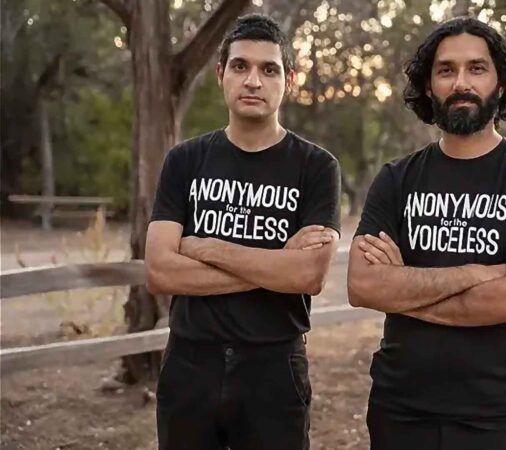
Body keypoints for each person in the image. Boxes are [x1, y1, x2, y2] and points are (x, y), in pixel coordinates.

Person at [347, 17, 506, 450]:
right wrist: (477, 273)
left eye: (476, 69)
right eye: (446, 70)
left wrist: (406, 289)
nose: (461, 82)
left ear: (500, 84)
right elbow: (363, 286)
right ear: (429, 87)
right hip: (399, 408)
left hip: (495, 413)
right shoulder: (395, 179)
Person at [145, 13, 340, 450]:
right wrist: (274, 264)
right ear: (221, 75)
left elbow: (308, 277)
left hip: (274, 366)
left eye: (269, 69)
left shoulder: (316, 166)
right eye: (240, 66)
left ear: (288, 80)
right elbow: (159, 271)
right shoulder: (185, 160)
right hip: (191, 362)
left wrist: (204, 247)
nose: (253, 80)